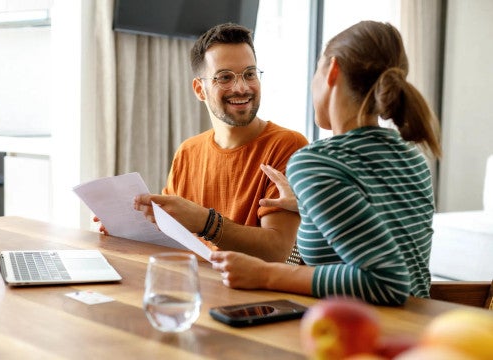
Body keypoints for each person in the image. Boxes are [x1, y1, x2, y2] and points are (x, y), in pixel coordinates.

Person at [210, 20, 442, 306]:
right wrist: (310, 204)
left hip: (365, 336)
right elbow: (384, 225)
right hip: (421, 337)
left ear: (332, 71)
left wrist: (266, 274)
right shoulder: (413, 158)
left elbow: (388, 284)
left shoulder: (315, 164)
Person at [114, 23, 308, 262]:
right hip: (195, 290)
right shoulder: (188, 151)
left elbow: (278, 250)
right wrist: (125, 229)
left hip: (250, 298)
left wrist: (205, 222)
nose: (242, 87)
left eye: (249, 74)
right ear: (199, 89)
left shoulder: (288, 145)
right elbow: (173, 237)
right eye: (225, 77)